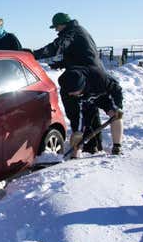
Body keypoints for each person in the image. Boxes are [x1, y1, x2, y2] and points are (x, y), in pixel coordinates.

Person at [33, 12, 104, 153]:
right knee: (91, 109)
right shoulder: (79, 31)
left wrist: (34, 54)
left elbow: (58, 46)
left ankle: (86, 143)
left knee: (76, 106)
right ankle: (95, 145)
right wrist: (61, 63)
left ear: (62, 25)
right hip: (94, 74)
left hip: (85, 76)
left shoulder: (71, 33)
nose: (56, 30)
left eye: (56, 27)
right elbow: (80, 54)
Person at [58, 66, 124, 156]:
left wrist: (118, 107)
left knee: (115, 115)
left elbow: (116, 90)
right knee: (80, 128)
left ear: (81, 86)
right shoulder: (68, 93)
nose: (70, 94)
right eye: (69, 92)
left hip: (101, 96)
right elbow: (75, 115)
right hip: (82, 102)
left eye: (73, 92)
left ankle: (117, 147)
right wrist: (77, 132)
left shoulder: (98, 77)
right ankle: (75, 154)